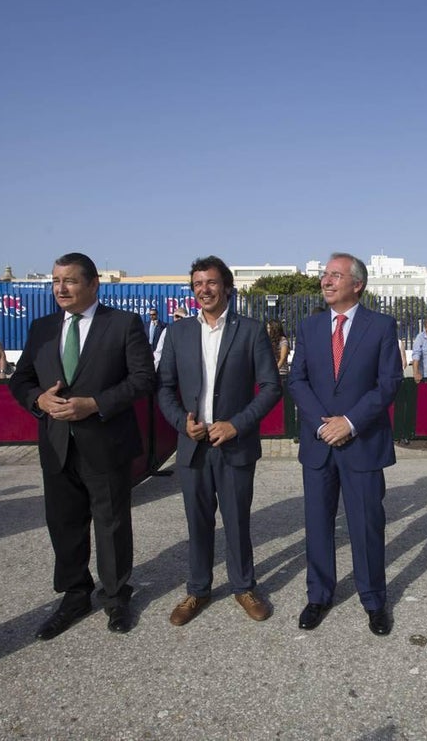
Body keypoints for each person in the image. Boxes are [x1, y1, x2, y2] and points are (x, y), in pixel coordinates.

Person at [9, 252, 156, 639]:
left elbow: (143, 380)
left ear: (93, 284)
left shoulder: (123, 324)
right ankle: (74, 594)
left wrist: (95, 404)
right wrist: (37, 400)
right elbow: (20, 380)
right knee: (64, 525)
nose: (61, 288)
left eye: (70, 281)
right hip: (57, 446)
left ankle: (115, 595)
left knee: (111, 524)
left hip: (105, 444)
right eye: (56, 281)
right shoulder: (42, 328)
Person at [157, 256, 282, 625]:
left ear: (226, 287)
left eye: (210, 283)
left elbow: (271, 387)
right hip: (193, 444)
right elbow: (163, 388)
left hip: (234, 444)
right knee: (197, 522)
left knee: (237, 520)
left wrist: (237, 425)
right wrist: (182, 422)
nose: (203, 290)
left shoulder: (251, 330)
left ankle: (244, 586)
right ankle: (197, 590)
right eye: (197, 284)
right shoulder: (177, 333)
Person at [288, 252, 403, 636]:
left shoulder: (382, 326)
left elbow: (388, 383)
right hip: (320, 442)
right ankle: (319, 595)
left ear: (358, 284)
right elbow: (297, 380)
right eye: (325, 275)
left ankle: (373, 599)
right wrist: (325, 424)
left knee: (367, 525)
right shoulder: (309, 327)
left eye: (335, 275)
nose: (326, 281)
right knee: (318, 524)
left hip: (362, 442)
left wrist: (350, 422)